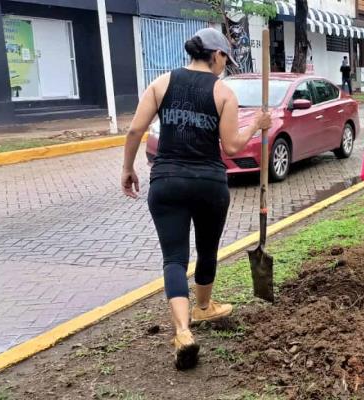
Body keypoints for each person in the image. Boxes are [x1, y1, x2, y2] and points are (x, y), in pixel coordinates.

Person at [121, 28, 271, 369]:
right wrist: (257, 124)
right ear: (216, 55)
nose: (225, 67)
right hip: (208, 183)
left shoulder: (161, 83)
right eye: (225, 60)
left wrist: (127, 168)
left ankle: (183, 330)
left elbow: (134, 130)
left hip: (167, 181)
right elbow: (232, 146)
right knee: (207, 248)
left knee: (174, 258)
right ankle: (204, 306)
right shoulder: (223, 92)